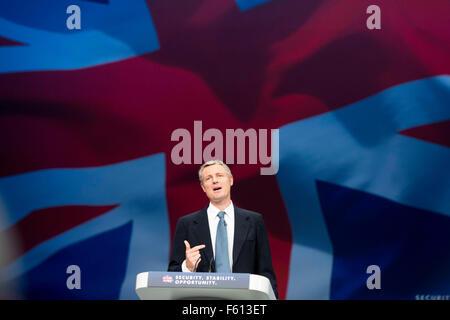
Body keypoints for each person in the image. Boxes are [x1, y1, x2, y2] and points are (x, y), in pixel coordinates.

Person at [168, 160, 278, 298]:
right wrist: (188, 267)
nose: (215, 181)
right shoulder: (187, 224)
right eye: (208, 178)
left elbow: (266, 272)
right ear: (203, 187)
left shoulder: (254, 221)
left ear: (230, 180)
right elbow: (171, 275)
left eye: (219, 175)